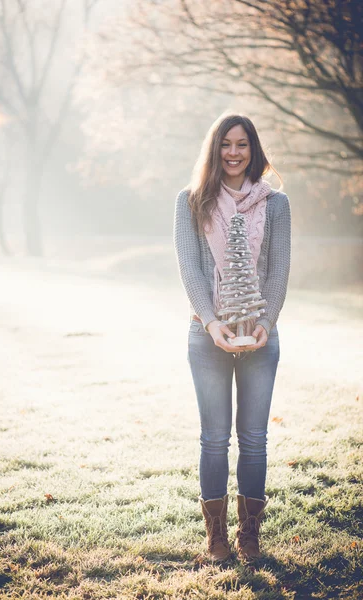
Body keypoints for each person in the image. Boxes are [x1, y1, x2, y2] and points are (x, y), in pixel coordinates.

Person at [173, 113, 291, 562]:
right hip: (207, 338)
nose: (234, 152)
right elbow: (190, 269)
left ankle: (250, 535)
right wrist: (211, 321)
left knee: (255, 438)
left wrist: (267, 321)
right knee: (214, 439)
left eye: (242, 144)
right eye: (226, 144)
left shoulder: (275, 204)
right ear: (215, 148)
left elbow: (279, 268)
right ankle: (217, 537)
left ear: (253, 149)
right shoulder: (191, 200)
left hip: (262, 335)